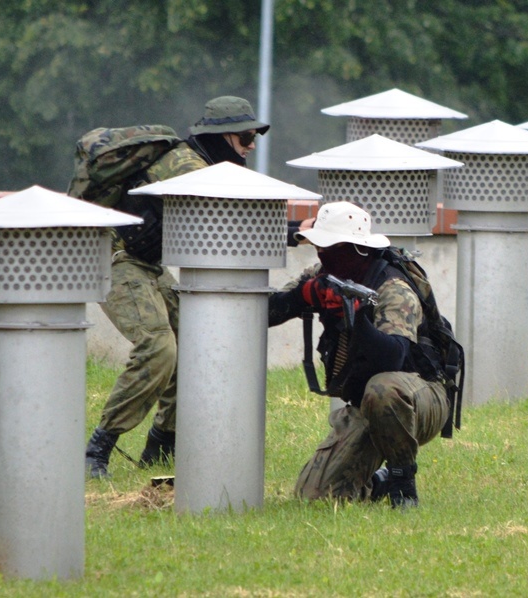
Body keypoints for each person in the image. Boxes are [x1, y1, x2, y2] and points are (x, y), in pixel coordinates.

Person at [83, 96, 270, 478]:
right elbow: (234, 224)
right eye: (247, 137)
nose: (251, 146)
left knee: (195, 341)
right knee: (158, 347)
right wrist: (289, 233)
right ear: (220, 137)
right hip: (110, 259)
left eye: (254, 137)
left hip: (144, 264)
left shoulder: (200, 164)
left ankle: (162, 447)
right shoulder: (189, 166)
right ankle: (97, 449)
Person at [267, 202, 449, 508]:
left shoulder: (392, 286)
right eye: (320, 245)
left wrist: (359, 319)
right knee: (316, 496)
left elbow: (395, 359)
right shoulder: (324, 275)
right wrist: (305, 295)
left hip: (420, 397)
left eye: (331, 247)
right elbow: (265, 312)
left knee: (384, 388)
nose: (322, 254)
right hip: (367, 404)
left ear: (357, 248)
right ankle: (379, 481)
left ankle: (403, 482)